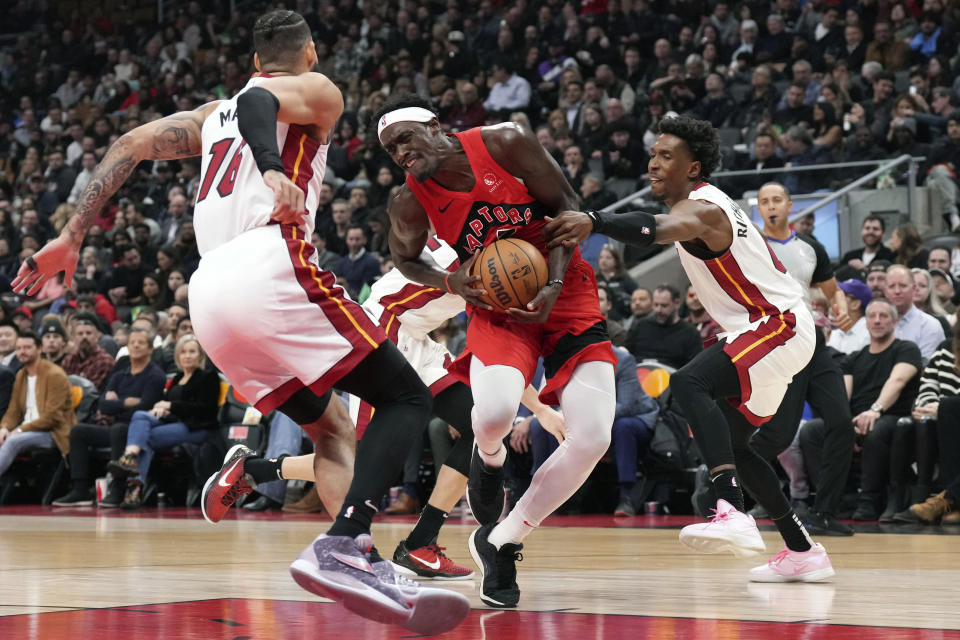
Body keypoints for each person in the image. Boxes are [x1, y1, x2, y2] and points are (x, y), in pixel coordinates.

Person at [13, 10, 469, 635]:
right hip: (269, 264)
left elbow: (130, 144)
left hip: (210, 297)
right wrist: (275, 167)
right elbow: (259, 100)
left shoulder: (208, 115)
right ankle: (346, 546)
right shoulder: (317, 90)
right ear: (307, 53)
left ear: (255, 57)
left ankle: (354, 558)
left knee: (333, 428)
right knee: (408, 395)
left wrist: (70, 234)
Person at [546, 116, 835, 582]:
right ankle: (803, 552)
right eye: (653, 154)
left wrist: (595, 220)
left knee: (689, 381)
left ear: (693, 166)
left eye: (666, 156)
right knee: (739, 447)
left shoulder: (702, 208)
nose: (653, 164)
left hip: (777, 325)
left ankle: (732, 510)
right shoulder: (708, 204)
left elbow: (653, 228)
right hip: (767, 331)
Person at [206, 236, 563, 580]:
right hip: (384, 326)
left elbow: (494, 361)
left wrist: (540, 408)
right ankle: (257, 472)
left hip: (418, 337)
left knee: (480, 426)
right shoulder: (487, 262)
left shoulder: (494, 247)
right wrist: (542, 410)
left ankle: (420, 543)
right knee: (364, 458)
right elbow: (490, 353)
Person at [379, 95, 617, 607]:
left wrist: (552, 282)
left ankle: (502, 538)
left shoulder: (504, 142)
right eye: (389, 148)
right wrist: (450, 279)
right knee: (490, 415)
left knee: (593, 437)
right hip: (495, 301)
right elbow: (402, 257)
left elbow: (567, 207)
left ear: (436, 127)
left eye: (404, 139)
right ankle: (489, 459)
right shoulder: (409, 200)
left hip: (567, 288)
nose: (398, 152)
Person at [752, 182, 856, 536]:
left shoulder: (811, 247)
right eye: (764, 202)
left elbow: (832, 291)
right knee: (776, 437)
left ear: (790, 205)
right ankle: (720, 484)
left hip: (815, 343)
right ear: (758, 211)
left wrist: (840, 308)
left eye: (776, 199)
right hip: (778, 347)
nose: (771, 206)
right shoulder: (751, 247)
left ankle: (824, 512)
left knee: (842, 423)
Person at [51, 326, 166, 506]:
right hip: (117, 426)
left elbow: (144, 407)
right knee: (79, 431)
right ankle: (80, 489)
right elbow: (103, 405)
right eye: (132, 342)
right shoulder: (120, 374)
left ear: (151, 348)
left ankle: (118, 488)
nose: (135, 346)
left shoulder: (155, 375)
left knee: (119, 430)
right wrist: (127, 402)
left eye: (141, 343)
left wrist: (117, 402)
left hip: (139, 430)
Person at [0, 332, 75, 481]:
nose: (22, 352)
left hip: (53, 433)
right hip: (26, 430)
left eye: (27, 347)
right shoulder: (21, 375)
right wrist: (5, 428)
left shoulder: (54, 374)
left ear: (39, 349)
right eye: (19, 348)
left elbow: (52, 417)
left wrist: (19, 430)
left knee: (13, 441)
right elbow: (13, 411)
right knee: (5, 437)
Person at [624, 284, 703, 369]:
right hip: (639, 374)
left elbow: (694, 368)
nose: (658, 310)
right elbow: (627, 354)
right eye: (656, 305)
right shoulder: (640, 326)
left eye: (664, 305)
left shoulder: (690, 333)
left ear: (677, 303)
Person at [884, 265, 945, 362]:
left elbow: (926, 366)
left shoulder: (930, 325)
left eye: (903, 286)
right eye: (892, 286)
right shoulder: (872, 323)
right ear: (885, 291)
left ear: (913, 288)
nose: (897, 291)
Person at [826, 279, 872, 354]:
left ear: (855, 304)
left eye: (842, 295)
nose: (835, 298)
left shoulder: (869, 333)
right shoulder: (836, 331)